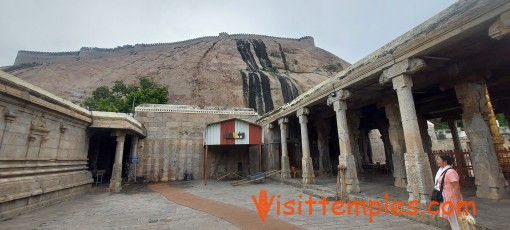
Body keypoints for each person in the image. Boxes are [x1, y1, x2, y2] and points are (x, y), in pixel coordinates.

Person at [435, 154, 463, 230]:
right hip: (445, 197)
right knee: (447, 216)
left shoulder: (451, 171)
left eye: (439, 159)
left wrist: (458, 202)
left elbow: (456, 187)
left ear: (445, 161)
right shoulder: (442, 171)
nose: (437, 161)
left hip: (452, 198)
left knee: (455, 218)